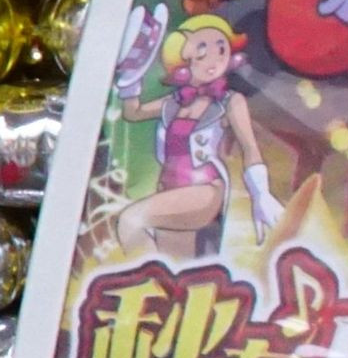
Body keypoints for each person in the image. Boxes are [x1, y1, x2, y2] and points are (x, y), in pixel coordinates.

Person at [119, 15, 277, 255]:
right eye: (202, 52)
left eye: (221, 50)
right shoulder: (173, 102)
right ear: (182, 57)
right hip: (170, 190)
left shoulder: (230, 101)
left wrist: (261, 193)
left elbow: (250, 147)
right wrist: (131, 77)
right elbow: (133, 113)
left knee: (130, 220)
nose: (214, 60)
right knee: (173, 269)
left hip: (204, 190)